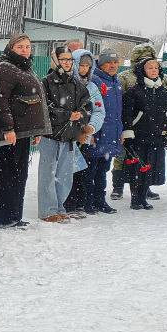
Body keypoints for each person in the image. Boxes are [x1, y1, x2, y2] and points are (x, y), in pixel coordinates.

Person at [0, 34, 52, 228]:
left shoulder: (25, 68)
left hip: (23, 132)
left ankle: (15, 215)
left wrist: (37, 130)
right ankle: (3, 218)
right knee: (8, 174)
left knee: (20, 174)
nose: (25, 50)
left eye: (28, 46)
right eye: (20, 47)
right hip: (12, 133)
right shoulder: (4, 69)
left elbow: (36, 101)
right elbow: (0, 101)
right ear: (11, 48)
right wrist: (8, 128)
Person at [37, 47, 93, 223]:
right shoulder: (46, 82)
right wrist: (66, 114)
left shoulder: (77, 84)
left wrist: (81, 115)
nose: (67, 62)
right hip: (50, 136)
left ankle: (60, 207)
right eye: (63, 59)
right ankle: (47, 210)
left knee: (65, 175)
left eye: (70, 59)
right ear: (56, 61)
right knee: (48, 174)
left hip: (69, 137)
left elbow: (87, 105)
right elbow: (44, 107)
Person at [121, 57, 167, 210]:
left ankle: (143, 196)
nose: (154, 70)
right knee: (137, 168)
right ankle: (135, 199)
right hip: (138, 136)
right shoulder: (134, 91)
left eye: (156, 68)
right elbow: (127, 114)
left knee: (151, 167)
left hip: (158, 136)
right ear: (143, 71)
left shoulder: (165, 92)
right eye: (150, 68)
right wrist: (128, 134)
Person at [112, 43, 165, 202]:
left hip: (149, 125)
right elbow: (119, 99)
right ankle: (118, 186)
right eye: (142, 58)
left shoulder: (159, 75)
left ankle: (145, 187)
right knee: (122, 155)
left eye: (149, 58)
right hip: (128, 121)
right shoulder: (125, 76)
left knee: (146, 158)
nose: (146, 61)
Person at [83, 49, 125, 214]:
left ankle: (100, 201)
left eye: (115, 62)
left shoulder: (117, 82)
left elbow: (118, 112)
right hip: (97, 134)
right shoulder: (95, 81)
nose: (113, 65)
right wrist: (91, 132)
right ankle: (88, 202)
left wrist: (119, 131)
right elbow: (91, 109)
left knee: (103, 169)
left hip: (111, 135)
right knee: (91, 170)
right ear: (101, 64)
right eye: (109, 62)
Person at [64, 48, 105, 214]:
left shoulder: (93, 87)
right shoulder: (66, 84)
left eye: (88, 66)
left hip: (86, 136)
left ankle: (81, 202)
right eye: (81, 65)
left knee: (84, 170)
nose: (84, 69)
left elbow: (99, 110)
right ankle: (67, 202)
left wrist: (91, 127)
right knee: (67, 171)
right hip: (68, 135)